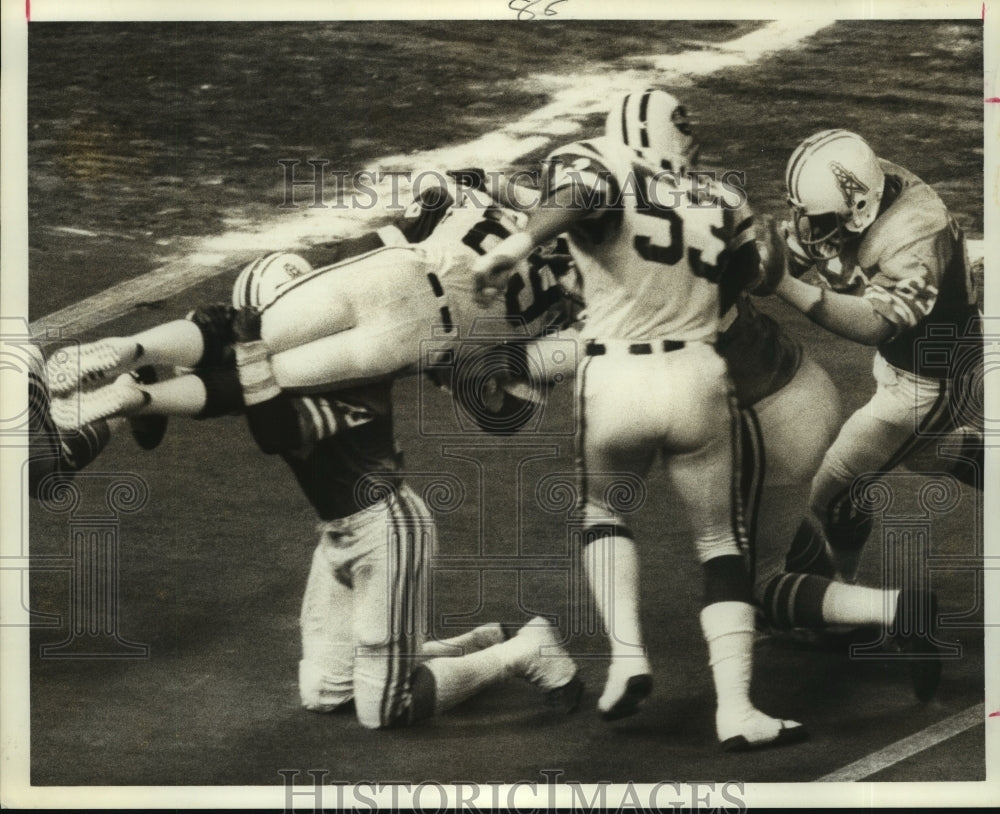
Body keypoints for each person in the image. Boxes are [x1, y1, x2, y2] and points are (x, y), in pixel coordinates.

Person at [471, 88, 805, 751]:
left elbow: (576, 199)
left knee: (605, 514)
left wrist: (515, 247)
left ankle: (627, 657)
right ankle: (737, 709)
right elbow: (764, 264)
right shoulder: (718, 193)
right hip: (698, 378)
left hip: (617, 376)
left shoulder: (603, 166)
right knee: (721, 545)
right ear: (678, 134)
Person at [44, 172, 579, 431]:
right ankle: (139, 400)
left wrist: (499, 191)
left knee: (237, 329)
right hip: (413, 346)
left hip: (399, 273)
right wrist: (462, 365)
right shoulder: (576, 312)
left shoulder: (485, 203)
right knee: (257, 384)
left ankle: (130, 348)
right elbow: (505, 411)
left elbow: (447, 188)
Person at [764, 129, 983, 583]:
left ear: (860, 207)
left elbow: (875, 323)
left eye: (818, 219)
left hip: (933, 382)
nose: (808, 227)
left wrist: (781, 285)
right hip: (916, 363)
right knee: (928, 456)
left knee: (833, 490)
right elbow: (795, 249)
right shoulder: (864, 185)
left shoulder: (915, 233)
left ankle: (838, 601)